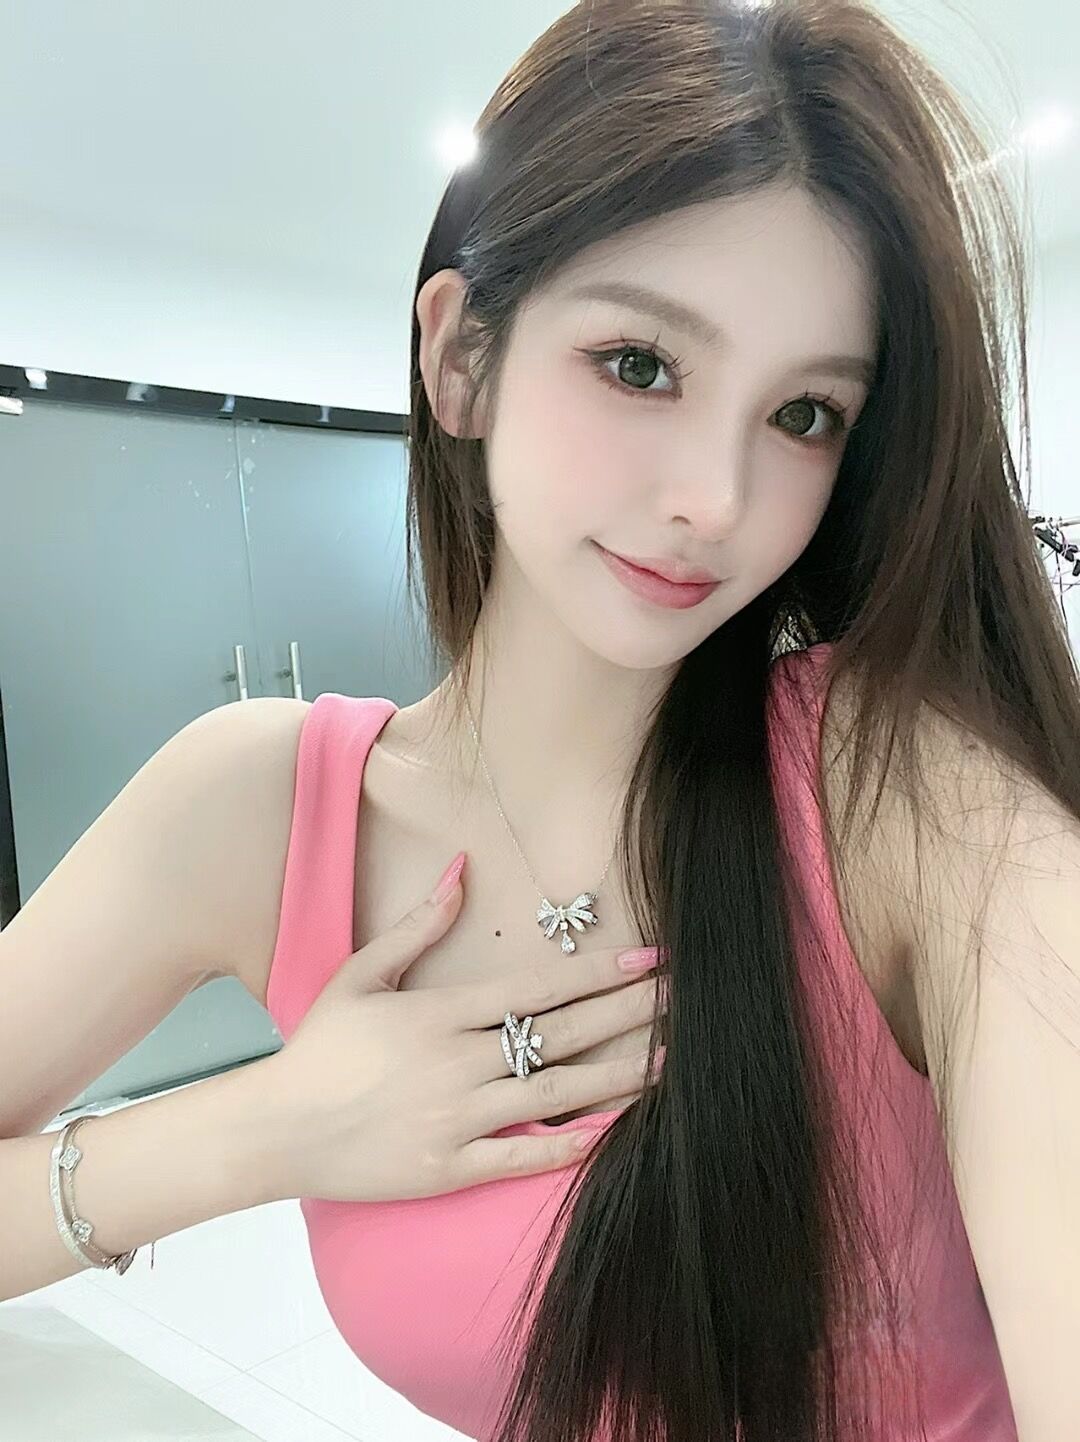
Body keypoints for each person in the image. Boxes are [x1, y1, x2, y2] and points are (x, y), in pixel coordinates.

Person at [2, 1, 1078, 1439]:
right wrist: (270, 1127)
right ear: (462, 358)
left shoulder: (907, 795)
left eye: (804, 414)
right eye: (641, 364)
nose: (717, 498)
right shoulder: (260, 806)